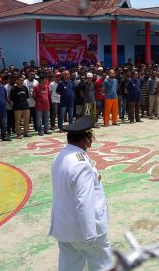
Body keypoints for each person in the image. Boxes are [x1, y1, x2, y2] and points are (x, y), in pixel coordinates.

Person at [49, 116, 113, 271]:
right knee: (101, 265)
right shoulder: (81, 164)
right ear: (86, 140)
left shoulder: (60, 156)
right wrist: (90, 235)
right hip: (85, 230)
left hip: (64, 227)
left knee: (69, 266)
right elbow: (83, 202)